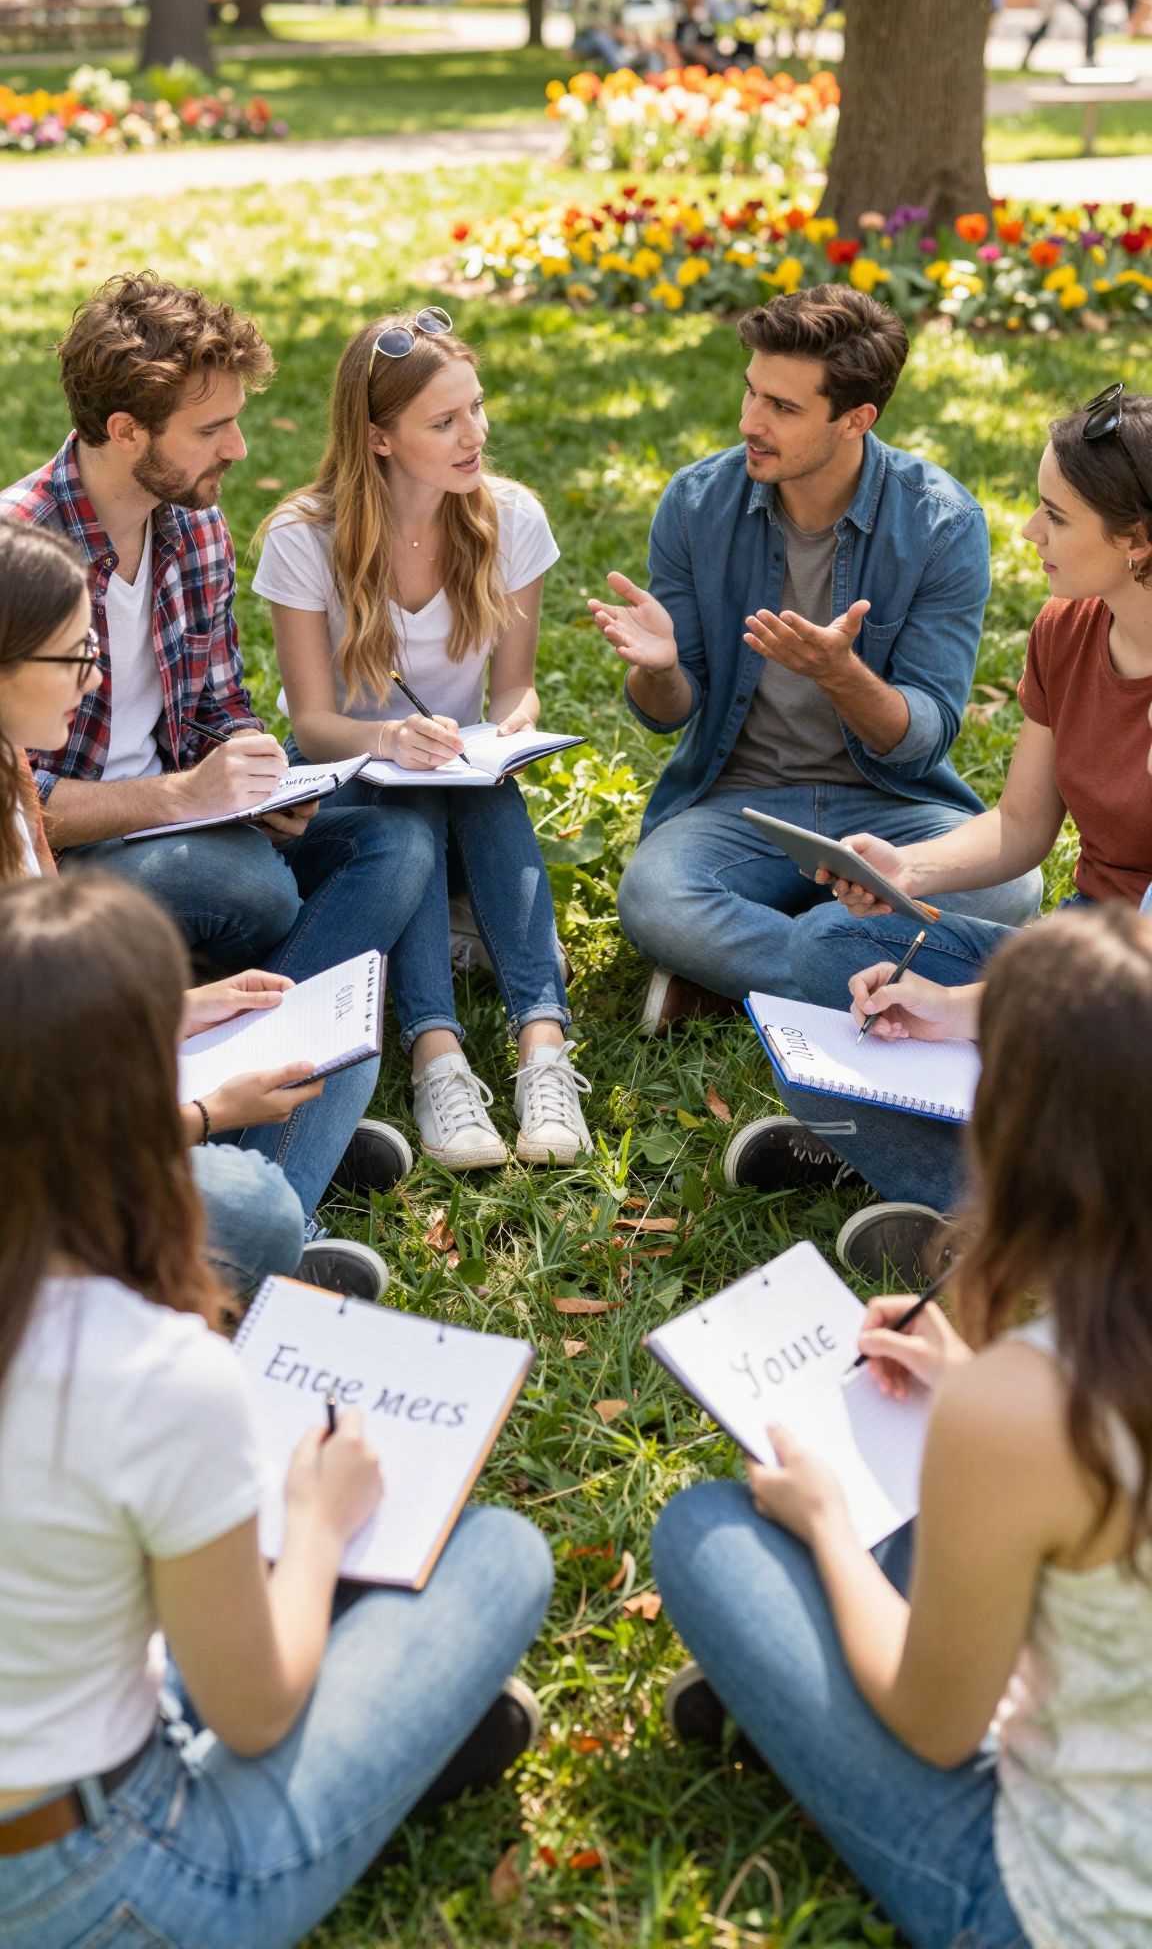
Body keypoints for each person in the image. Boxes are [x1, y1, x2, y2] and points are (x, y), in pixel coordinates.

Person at [0, 872, 554, 1948]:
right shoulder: (149, 1367)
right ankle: (393, 1742)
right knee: (500, 1557)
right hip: (105, 1875)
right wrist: (319, 1522)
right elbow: (253, 1712)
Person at [653, 903, 1152, 1949]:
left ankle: (787, 1703)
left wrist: (829, 1526)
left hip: (1063, 1907)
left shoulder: (1028, 1404)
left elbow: (937, 1728)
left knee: (704, 1533)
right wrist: (968, 1380)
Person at [0, 276, 431, 1218]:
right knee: (245, 885)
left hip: (196, 828)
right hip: (75, 877)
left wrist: (257, 773)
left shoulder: (195, 526)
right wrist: (183, 799)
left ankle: (269, 1081)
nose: (238, 447)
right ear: (126, 431)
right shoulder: (19, 556)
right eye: (212, 428)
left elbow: (217, 706)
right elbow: (16, 811)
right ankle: (275, 1149)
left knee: (394, 840)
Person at [728, 383, 1152, 1278]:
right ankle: (986, 1174)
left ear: (1137, 541)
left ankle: (969, 1202)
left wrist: (968, 1011)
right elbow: (1022, 825)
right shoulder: (1067, 631)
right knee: (832, 945)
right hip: (1075, 954)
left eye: (1055, 517)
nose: (1029, 533)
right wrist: (907, 870)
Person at [589, 286, 1041, 1037]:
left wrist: (839, 673)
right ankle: (890, 977)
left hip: (889, 804)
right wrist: (661, 669)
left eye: (782, 407)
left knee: (1013, 887)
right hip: (743, 806)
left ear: (856, 418)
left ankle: (732, 980)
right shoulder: (696, 503)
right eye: (751, 392)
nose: (749, 422)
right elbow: (668, 714)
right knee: (654, 894)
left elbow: (923, 738)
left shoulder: (942, 522)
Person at [0, 515, 401, 1303]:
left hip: (73, 1089)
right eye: (77, 656)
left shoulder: (12, 771)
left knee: (340, 1047)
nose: (93, 680)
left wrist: (180, 1011)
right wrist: (206, 1113)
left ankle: (261, 1171)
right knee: (257, 1214)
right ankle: (276, 1204)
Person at [251, 307, 592, 1170]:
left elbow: (513, 687)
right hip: (348, 773)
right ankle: (438, 1059)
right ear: (378, 438)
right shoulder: (304, 537)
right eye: (444, 422)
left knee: (477, 786)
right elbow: (312, 723)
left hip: (461, 770)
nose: (474, 434)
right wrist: (388, 740)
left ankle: (543, 1052)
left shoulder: (510, 519)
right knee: (411, 805)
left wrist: (508, 726)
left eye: (476, 407)